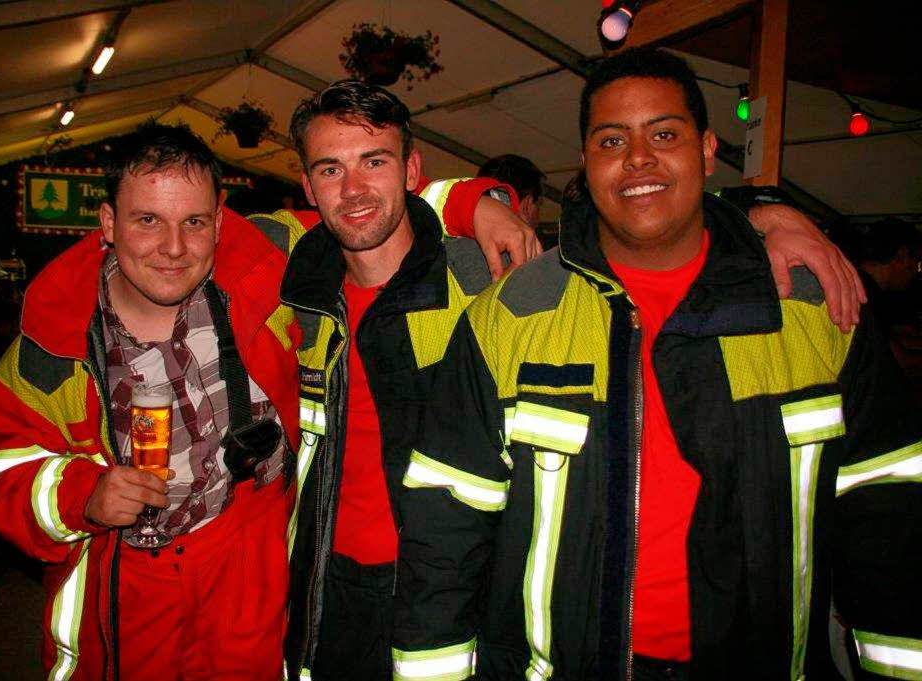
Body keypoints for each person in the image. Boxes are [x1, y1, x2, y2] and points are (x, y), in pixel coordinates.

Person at [254, 79, 867, 681]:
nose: (354, 187)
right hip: (327, 580)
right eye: (330, 170)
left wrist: (766, 210)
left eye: (375, 161)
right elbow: (188, 230)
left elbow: (636, 214)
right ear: (308, 185)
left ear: (411, 170)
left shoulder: (484, 281)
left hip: (458, 586)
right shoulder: (295, 287)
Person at [392, 48, 921, 681]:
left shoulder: (813, 309)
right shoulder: (513, 315)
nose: (638, 158)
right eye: (611, 140)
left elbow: (891, 521)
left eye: (663, 134)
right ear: (586, 166)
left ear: (706, 149)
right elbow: (445, 532)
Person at [0, 120, 536, 681]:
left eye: (194, 222)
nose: (173, 248)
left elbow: (365, 204)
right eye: (147, 221)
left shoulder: (262, 269)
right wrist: (82, 494)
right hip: (125, 611)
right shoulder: (54, 347)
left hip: (247, 598)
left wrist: (474, 202)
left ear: (219, 222)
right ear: (108, 224)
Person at [477, 154, 546, 230]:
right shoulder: (519, 240)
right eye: (538, 205)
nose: (537, 221)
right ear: (527, 205)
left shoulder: (464, 236)